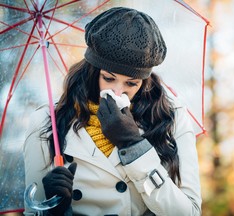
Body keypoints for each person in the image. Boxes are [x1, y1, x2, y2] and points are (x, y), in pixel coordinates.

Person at [24, 7, 202, 216]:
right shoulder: (47, 122)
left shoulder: (171, 117)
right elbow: (32, 211)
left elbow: (189, 212)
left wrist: (134, 147)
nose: (118, 91)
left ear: (144, 81)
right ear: (92, 71)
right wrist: (54, 210)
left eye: (131, 83)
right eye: (108, 78)